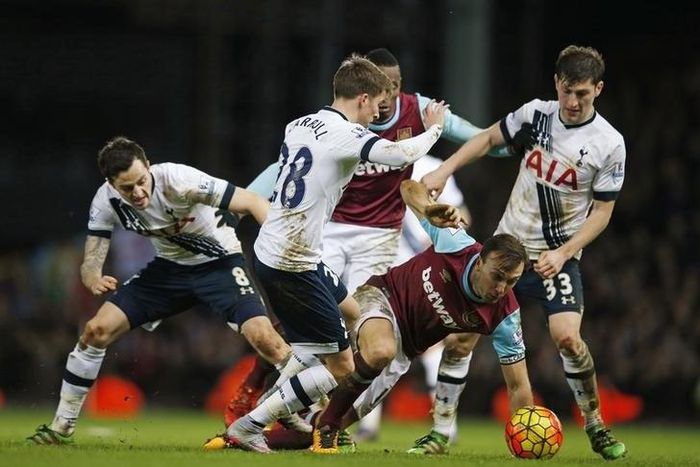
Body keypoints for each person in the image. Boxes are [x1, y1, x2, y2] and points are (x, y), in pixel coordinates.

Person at [221, 53, 447, 454]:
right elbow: (400, 156)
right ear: (361, 98)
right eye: (376, 106)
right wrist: (434, 130)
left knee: (353, 313)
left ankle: (287, 403)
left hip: (284, 250)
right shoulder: (346, 135)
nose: (377, 115)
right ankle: (250, 424)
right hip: (293, 261)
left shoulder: (298, 124)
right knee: (342, 366)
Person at [421, 45, 627, 460]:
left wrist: (566, 251)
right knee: (460, 338)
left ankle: (596, 425)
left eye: (583, 94)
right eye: (567, 91)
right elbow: (486, 140)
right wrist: (443, 170)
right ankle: (440, 432)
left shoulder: (609, 144)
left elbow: (603, 213)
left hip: (558, 257)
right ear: (556, 83)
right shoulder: (535, 115)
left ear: (598, 90)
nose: (572, 102)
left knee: (568, 338)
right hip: (507, 251)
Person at [26, 136, 292, 445]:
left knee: (266, 340)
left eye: (142, 181)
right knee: (95, 331)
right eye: (128, 187)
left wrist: (279, 248)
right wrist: (92, 277)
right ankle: (61, 428)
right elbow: (92, 260)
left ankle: (313, 413)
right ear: (111, 184)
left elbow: (252, 201)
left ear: (148, 167)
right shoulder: (104, 201)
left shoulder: (179, 179)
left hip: (219, 264)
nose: (138, 192)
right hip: (169, 270)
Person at [321, 47, 507, 441]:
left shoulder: (425, 166)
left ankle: (445, 425)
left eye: (396, 87)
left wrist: (448, 230)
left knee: (432, 344)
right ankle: (360, 422)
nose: (389, 96)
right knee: (367, 336)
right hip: (381, 263)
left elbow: (463, 215)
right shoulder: (354, 146)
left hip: (424, 270)